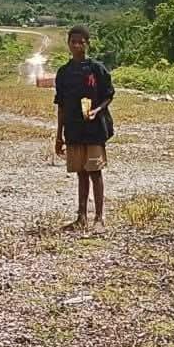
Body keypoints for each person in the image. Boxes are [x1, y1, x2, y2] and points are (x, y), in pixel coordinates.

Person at [53, 25, 114, 232]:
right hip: (73, 129)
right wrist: (58, 135)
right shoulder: (63, 73)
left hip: (94, 129)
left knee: (95, 172)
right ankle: (81, 217)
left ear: (88, 44)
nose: (77, 45)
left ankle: (99, 218)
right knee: (80, 173)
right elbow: (60, 105)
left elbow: (109, 94)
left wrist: (97, 110)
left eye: (81, 42)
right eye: (73, 42)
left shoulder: (97, 69)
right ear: (68, 44)